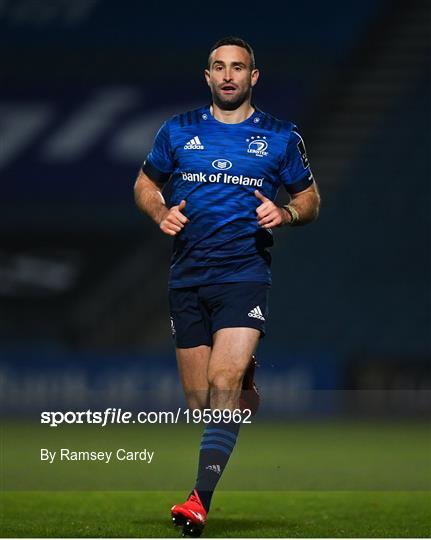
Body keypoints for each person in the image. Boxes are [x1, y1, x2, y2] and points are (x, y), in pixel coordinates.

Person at [134, 36, 320, 537]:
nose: (229, 75)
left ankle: (199, 500)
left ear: (253, 77)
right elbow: (145, 183)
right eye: (219, 67)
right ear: (208, 77)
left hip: (244, 274)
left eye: (239, 67)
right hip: (187, 277)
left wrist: (284, 212)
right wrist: (160, 210)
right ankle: (245, 379)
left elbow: (310, 199)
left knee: (222, 384)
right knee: (202, 402)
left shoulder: (280, 137)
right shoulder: (177, 131)